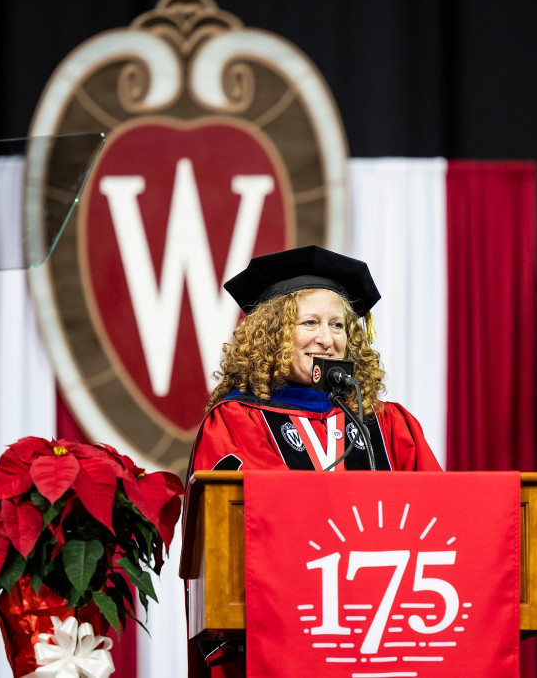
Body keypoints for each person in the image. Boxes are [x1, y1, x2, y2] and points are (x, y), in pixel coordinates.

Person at [186, 245, 442, 677]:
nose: (327, 338)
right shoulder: (235, 422)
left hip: (387, 638)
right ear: (271, 335)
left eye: (338, 324)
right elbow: (224, 539)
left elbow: (440, 518)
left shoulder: (390, 425)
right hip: (276, 640)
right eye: (309, 322)